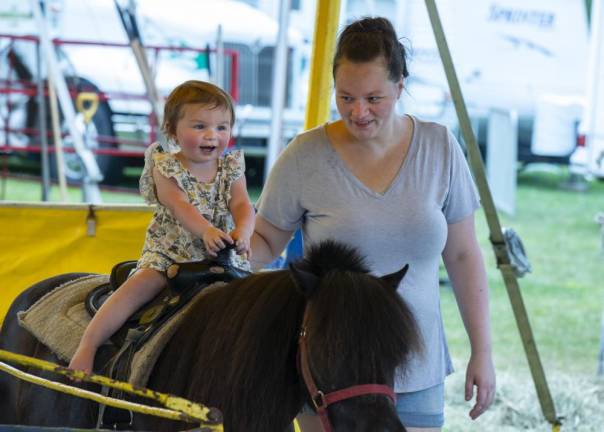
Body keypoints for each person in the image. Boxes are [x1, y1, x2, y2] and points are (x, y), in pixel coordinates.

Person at [251, 17, 496, 431]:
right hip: (331, 375)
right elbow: (264, 242)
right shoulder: (304, 155)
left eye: (374, 98)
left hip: (416, 369)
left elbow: (463, 254)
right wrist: (220, 238)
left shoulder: (439, 147)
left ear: (401, 87)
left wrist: (482, 351)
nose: (358, 112)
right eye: (345, 97)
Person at [69, 80, 255, 374]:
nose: (212, 135)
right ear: (171, 130)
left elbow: (243, 204)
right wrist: (205, 230)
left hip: (221, 254)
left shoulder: (231, 167)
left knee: (259, 297)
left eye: (222, 127)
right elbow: (180, 205)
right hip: (172, 253)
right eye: (199, 126)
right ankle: (88, 346)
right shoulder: (166, 167)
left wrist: (243, 231)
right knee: (142, 285)